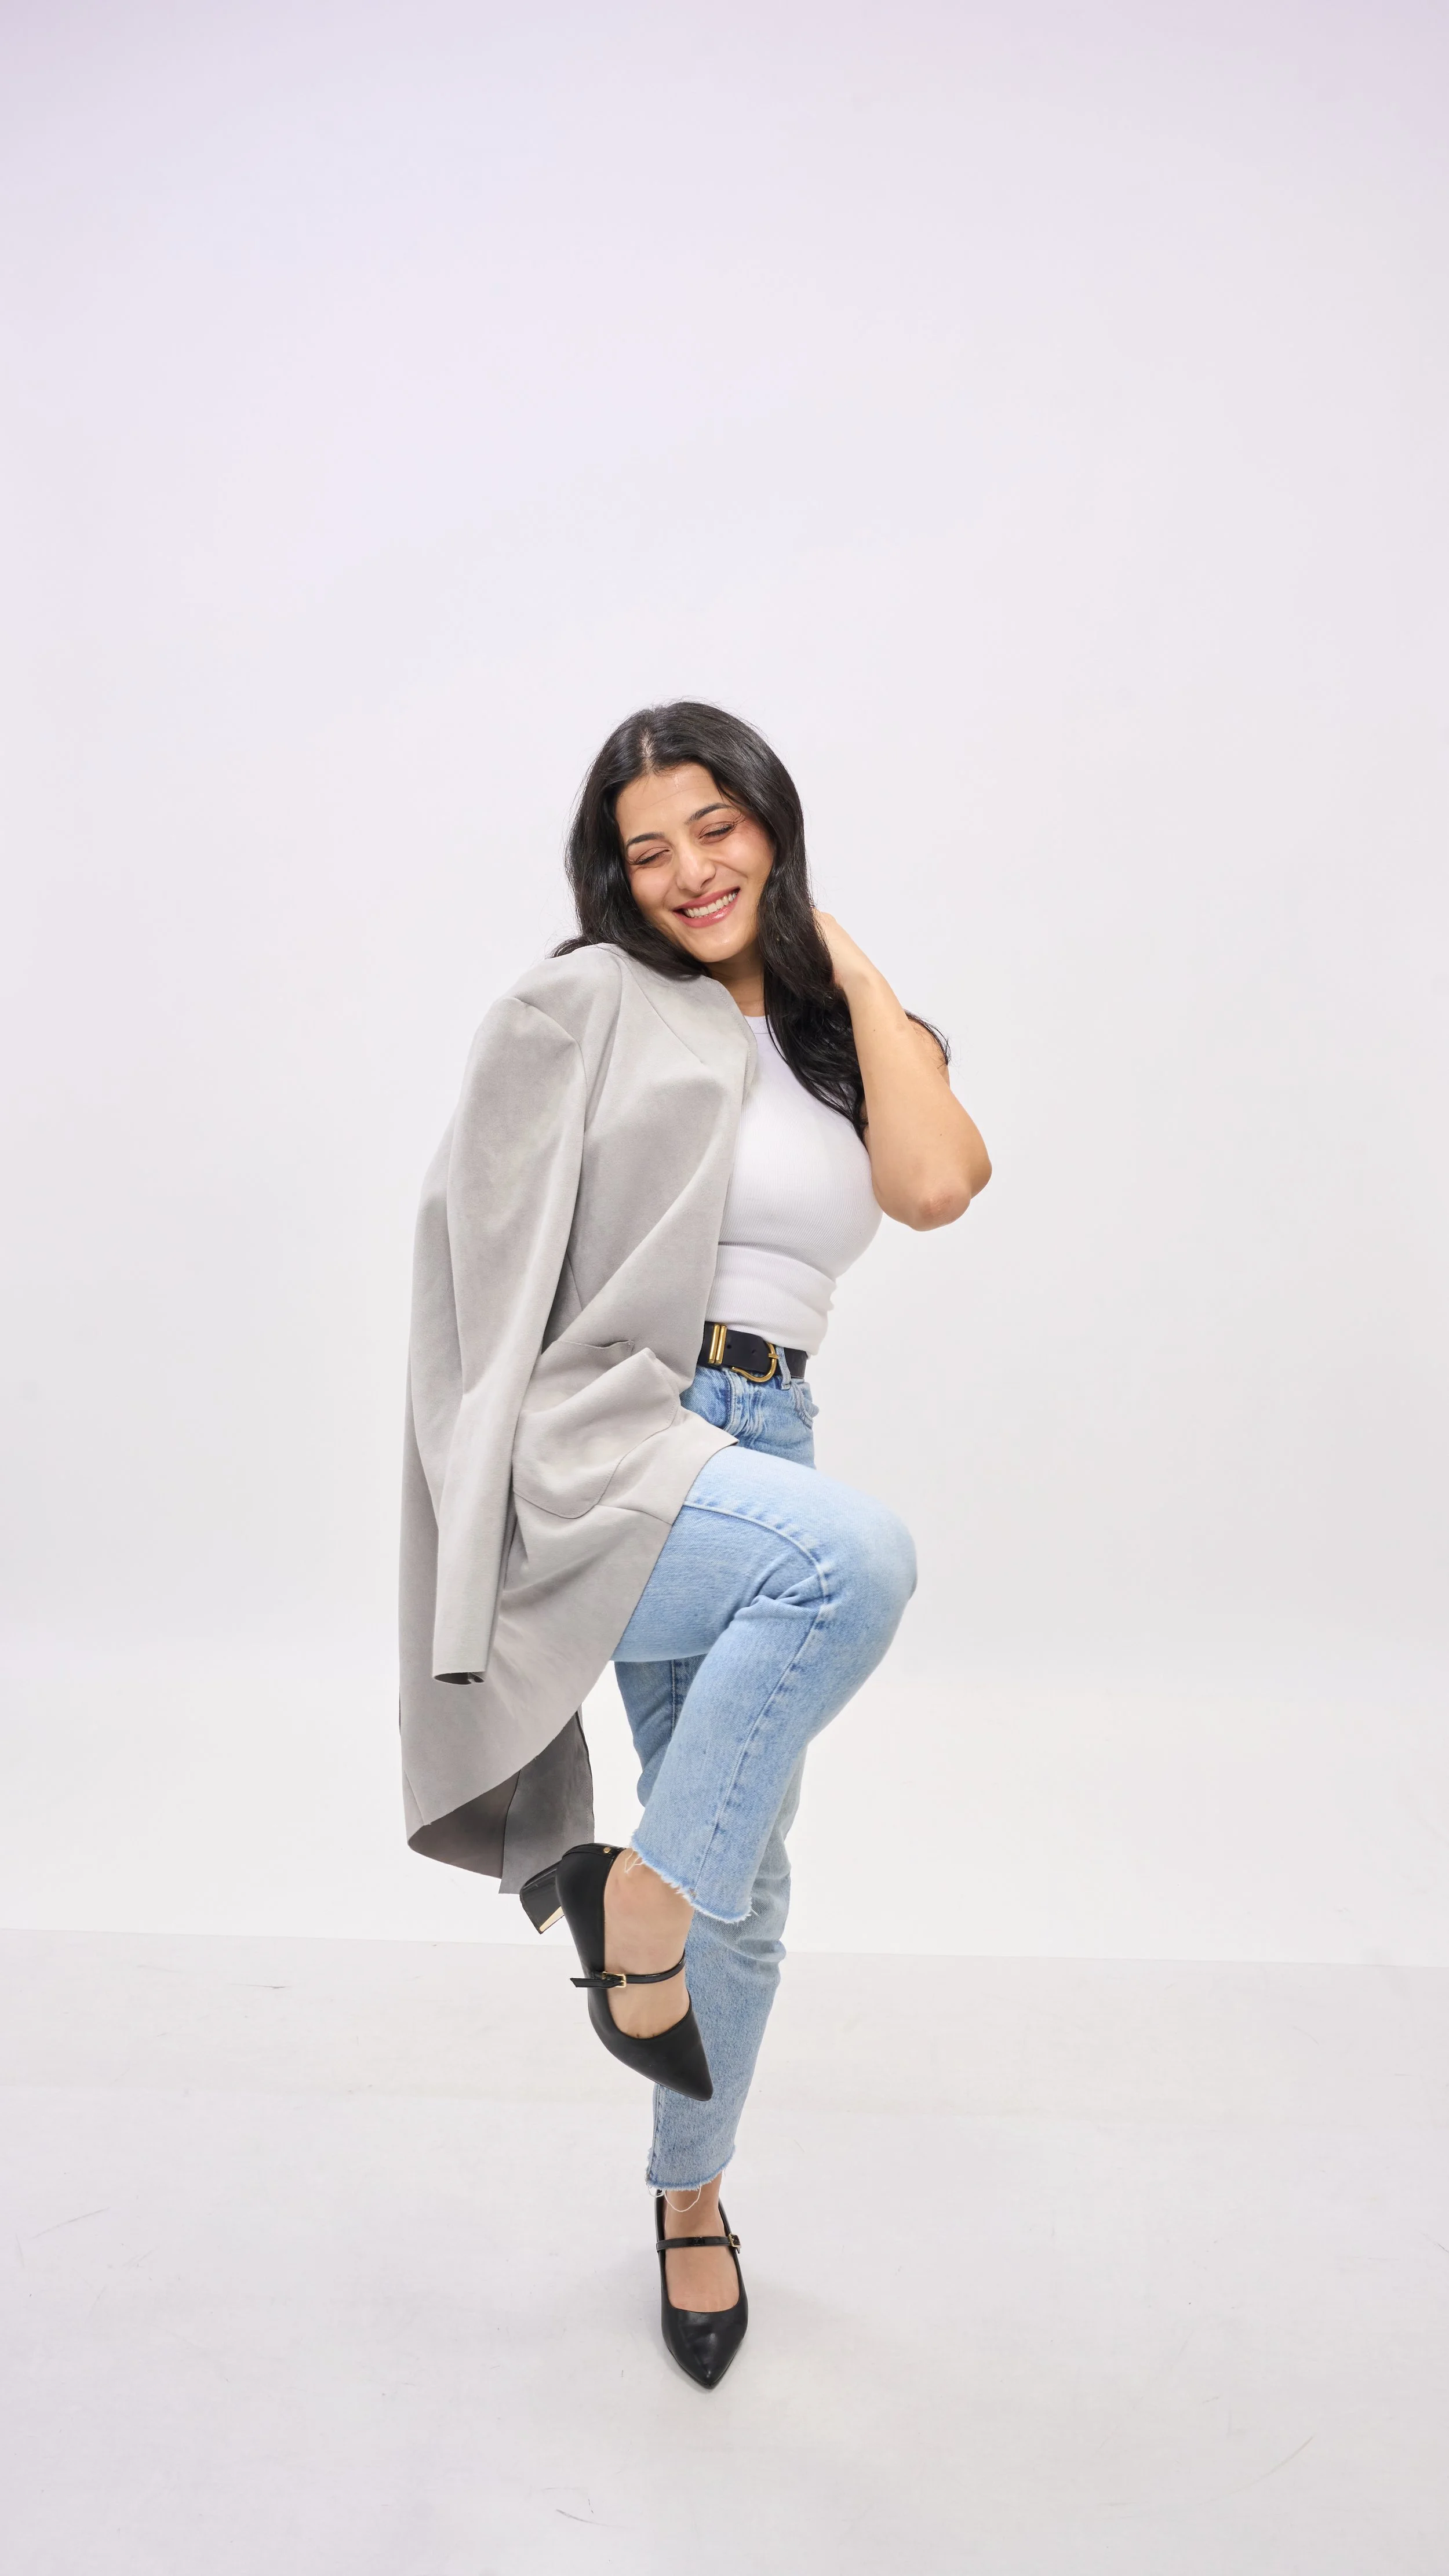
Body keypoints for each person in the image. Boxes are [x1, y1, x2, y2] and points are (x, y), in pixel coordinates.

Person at [400, 703, 990, 2388]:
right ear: (612, 872)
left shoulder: (832, 1033)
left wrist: (854, 972)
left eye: (715, 827)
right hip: (604, 1437)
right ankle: (638, 1903)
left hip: (763, 1443)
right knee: (855, 1563)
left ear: (769, 825)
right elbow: (476, 1257)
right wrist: (484, 1484)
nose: (686, 870)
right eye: (645, 847)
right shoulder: (583, 1005)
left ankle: (690, 2192)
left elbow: (938, 1183)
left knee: (752, 1874)